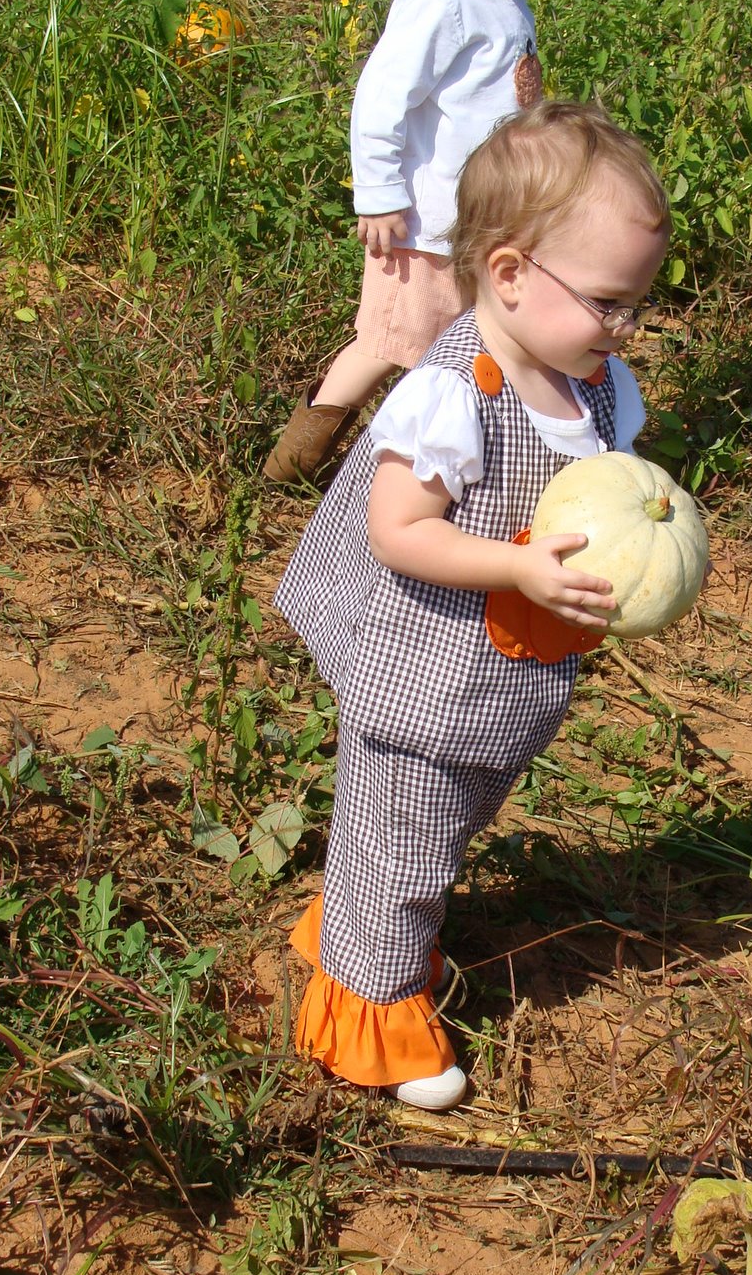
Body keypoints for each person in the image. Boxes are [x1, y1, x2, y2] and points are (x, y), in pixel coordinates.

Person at [273, 102, 671, 1109]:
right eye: (609, 303)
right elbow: (398, 530)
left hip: (500, 689)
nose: (626, 327)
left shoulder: (593, 385)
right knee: (407, 837)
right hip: (421, 679)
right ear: (507, 275)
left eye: (637, 304)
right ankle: (369, 1014)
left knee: (434, 826)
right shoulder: (457, 391)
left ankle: (357, 916)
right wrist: (521, 567)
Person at [263, 0, 593, 484]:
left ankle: (462, 466)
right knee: (386, 346)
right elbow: (381, 98)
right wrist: (381, 193)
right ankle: (294, 465)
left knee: (469, 352)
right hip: (423, 231)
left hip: (477, 227)